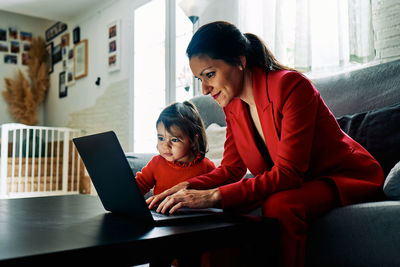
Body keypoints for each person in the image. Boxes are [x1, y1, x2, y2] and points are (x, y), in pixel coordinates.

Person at [147, 21, 384, 267]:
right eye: (200, 79)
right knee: (217, 209)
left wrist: (214, 195)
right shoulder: (233, 105)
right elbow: (232, 169)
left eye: (210, 74)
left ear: (240, 60)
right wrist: (185, 187)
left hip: (344, 175)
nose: (205, 89)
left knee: (280, 204)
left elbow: (289, 173)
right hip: (302, 182)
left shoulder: (291, 86)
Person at [136, 101, 215, 197]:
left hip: (194, 212)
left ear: (193, 140)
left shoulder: (207, 167)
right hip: (160, 211)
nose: (166, 145)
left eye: (174, 140)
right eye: (161, 138)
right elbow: (136, 189)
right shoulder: (156, 163)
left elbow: (216, 195)